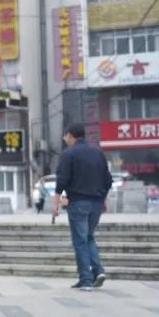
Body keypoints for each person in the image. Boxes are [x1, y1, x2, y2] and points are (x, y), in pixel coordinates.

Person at [51, 122, 112, 291]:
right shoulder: (98, 153)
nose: (64, 138)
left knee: (80, 241)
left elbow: (62, 180)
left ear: (70, 135)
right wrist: (103, 199)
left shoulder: (68, 153)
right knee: (88, 237)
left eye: (65, 135)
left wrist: (55, 203)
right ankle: (97, 271)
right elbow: (108, 180)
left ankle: (86, 279)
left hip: (78, 203)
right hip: (96, 204)